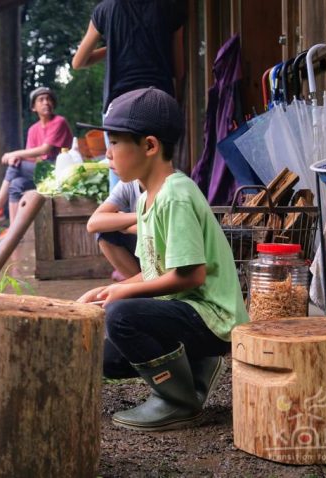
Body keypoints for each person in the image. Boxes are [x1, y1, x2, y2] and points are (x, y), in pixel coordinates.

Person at [78, 88, 248, 432]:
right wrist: (106, 290)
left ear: (150, 146)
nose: (108, 153)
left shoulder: (176, 196)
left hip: (214, 318)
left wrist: (120, 297)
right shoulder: (144, 200)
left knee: (122, 316)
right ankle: (199, 366)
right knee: (108, 359)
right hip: (187, 311)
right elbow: (154, 272)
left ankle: (179, 402)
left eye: (115, 143)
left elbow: (191, 276)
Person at [72, 0, 185, 194]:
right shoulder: (169, 7)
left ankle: (124, 221)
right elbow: (179, 68)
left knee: (120, 179)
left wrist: (113, 46)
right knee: (162, 177)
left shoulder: (106, 9)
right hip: (158, 103)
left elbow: (78, 62)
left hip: (119, 106)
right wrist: (178, 99)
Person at [0, 87, 72, 245]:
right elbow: (33, 157)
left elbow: (45, 150)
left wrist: (14, 155)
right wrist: (18, 158)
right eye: (41, 100)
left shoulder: (59, 122)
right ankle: (14, 230)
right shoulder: (33, 130)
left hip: (58, 171)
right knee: (16, 184)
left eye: (49, 99)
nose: (46, 102)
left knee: (15, 165)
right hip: (42, 172)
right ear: (34, 107)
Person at [87, 179, 142, 281]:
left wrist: (128, 228)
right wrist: (141, 216)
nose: (111, 163)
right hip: (146, 255)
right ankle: (139, 284)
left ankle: (141, 285)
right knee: (106, 230)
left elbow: (163, 229)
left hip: (168, 264)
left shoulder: (172, 187)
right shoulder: (129, 183)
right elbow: (93, 224)